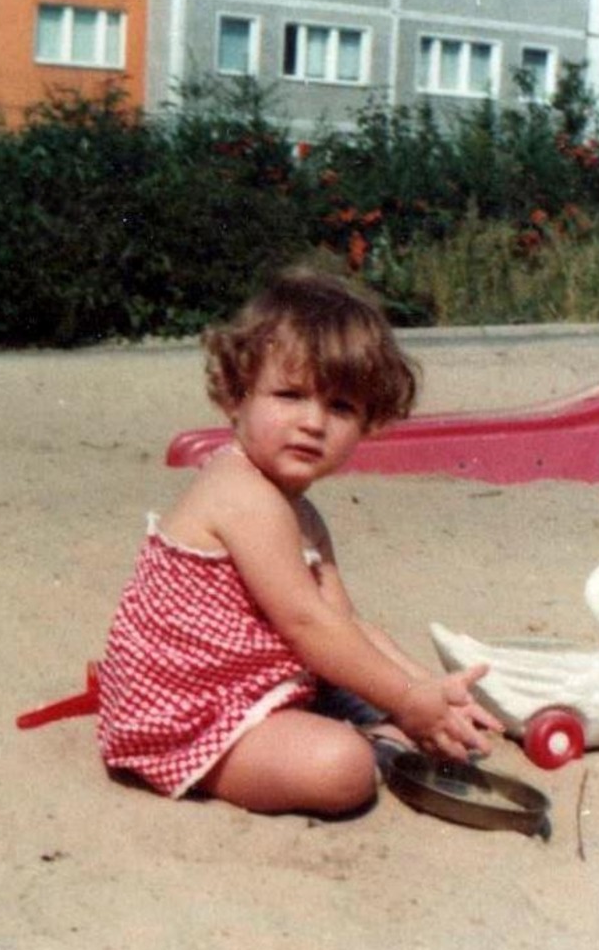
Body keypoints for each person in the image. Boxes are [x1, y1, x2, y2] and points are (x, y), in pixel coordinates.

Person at [97, 268, 501, 815]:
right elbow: (308, 628)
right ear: (235, 397)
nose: (313, 422)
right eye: (290, 395)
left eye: (341, 407)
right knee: (342, 769)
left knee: (392, 716)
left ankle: (368, 731)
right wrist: (404, 701)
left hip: (258, 686)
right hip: (188, 715)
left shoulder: (301, 512)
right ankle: (333, 748)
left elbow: (344, 624)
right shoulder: (240, 492)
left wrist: (428, 690)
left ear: (368, 420)